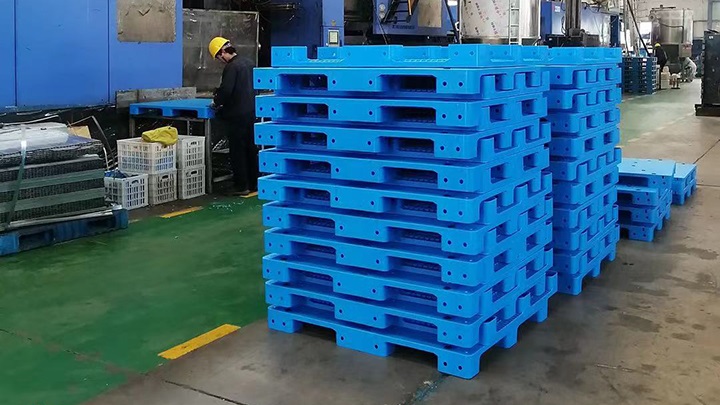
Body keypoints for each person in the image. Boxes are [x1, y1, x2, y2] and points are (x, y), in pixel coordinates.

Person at [209, 36, 259, 196]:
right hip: (252, 111)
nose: (220, 61)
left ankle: (241, 185)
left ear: (222, 53)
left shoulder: (231, 67)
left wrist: (216, 102)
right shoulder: (249, 62)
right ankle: (254, 183)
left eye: (218, 58)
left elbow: (226, 91)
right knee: (251, 148)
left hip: (236, 115)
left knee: (238, 150)